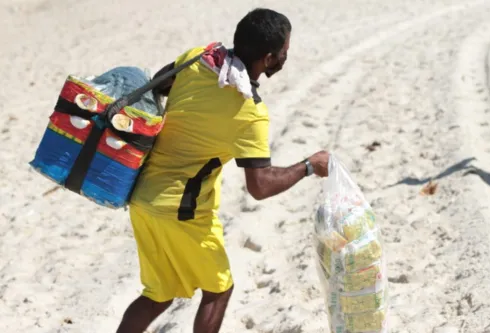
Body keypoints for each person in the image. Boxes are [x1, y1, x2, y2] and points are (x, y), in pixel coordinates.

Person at [115, 7, 330, 333]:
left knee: (158, 294)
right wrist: (308, 167)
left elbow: (157, 88)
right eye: (284, 53)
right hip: (181, 210)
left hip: (141, 196)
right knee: (218, 289)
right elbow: (260, 186)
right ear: (269, 59)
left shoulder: (197, 58)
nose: (287, 57)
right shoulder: (249, 113)